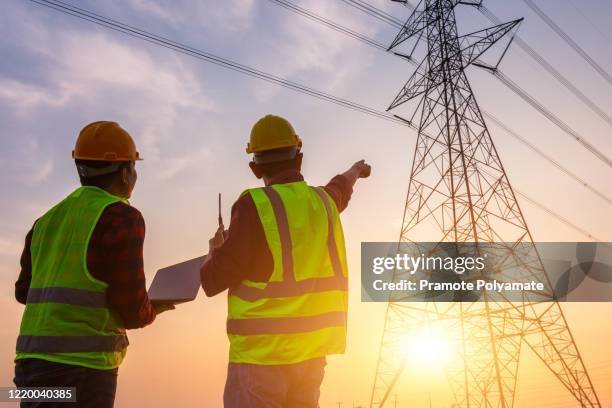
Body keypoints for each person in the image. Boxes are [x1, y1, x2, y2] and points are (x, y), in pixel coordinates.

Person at [200, 114, 371, 407]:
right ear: (299, 159)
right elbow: (341, 187)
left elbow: (213, 280)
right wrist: (356, 170)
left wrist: (214, 250)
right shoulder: (323, 202)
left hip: (262, 358)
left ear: (255, 168)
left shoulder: (253, 205)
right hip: (311, 356)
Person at [14, 121, 172, 408]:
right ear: (125, 173)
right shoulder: (121, 217)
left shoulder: (46, 221)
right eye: (134, 167)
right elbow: (131, 309)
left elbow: (24, 292)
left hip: (29, 367)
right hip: (80, 371)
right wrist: (152, 309)